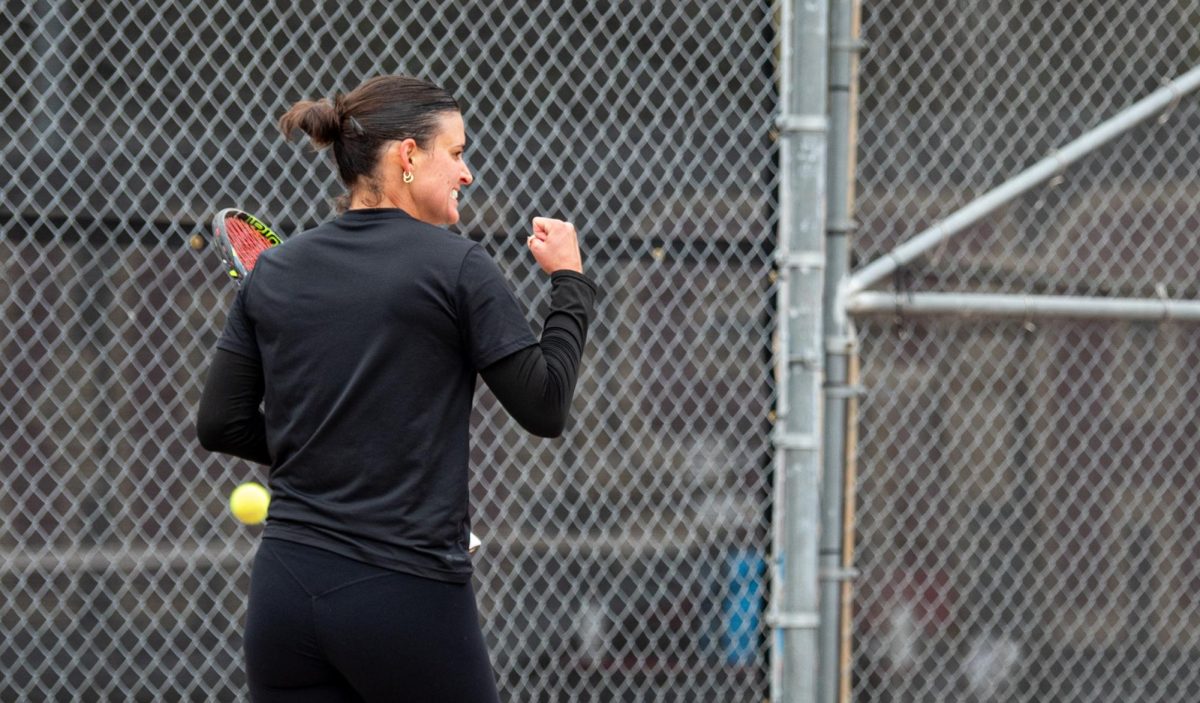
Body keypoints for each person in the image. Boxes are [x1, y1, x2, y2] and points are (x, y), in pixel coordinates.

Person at [196, 74, 597, 702]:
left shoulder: (273, 271)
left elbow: (220, 424)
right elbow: (544, 406)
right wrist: (570, 283)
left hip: (285, 595)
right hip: (403, 592)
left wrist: (336, 455)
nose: (467, 174)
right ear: (408, 156)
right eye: (457, 153)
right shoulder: (460, 267)